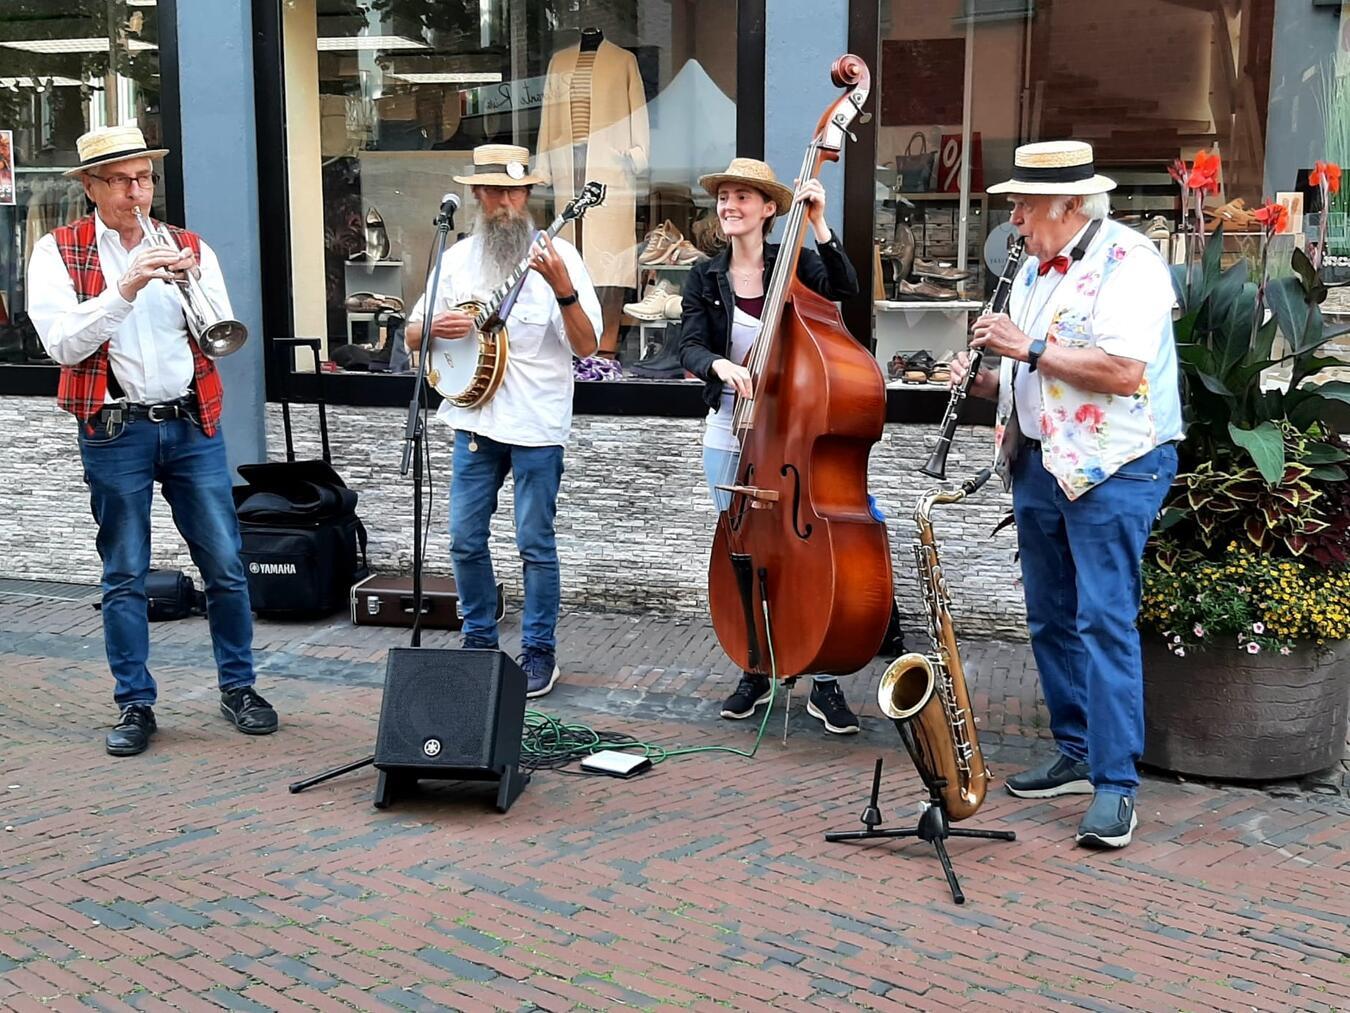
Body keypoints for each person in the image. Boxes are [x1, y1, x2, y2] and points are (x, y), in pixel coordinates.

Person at [950, 140, 1182, 848]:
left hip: (1114, 465)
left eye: (1024, 203)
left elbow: (1121, 371)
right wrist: (986, 380)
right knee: (1051, 617)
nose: (1014, 218)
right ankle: (1077, 749)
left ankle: (1117, 786)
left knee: (1104, 620)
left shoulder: (1131, 263)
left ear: (1071, 205)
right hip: (1042, 461)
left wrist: (1024, 349)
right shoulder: (1030, 267)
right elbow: (1038, 372)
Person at [26, 125, 278, 756]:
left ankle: (239, 687)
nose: (137, 192)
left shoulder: (188, 245)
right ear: (90, 186)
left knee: (223, 562)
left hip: (191, 424)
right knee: (125, 572)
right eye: (121, 180)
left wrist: (188, 284)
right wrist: (127, 287)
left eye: (144, 178)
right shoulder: (58, 251)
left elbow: (218, 328)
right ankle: (135, 703)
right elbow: (62, 345)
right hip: (116, 430)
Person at [677, 157, 867, 735]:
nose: (729, 206)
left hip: (796, 438)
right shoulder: (705, 276)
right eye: (724, 196)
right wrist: (719, 365)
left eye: (742, 197)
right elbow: (687, 345)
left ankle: (824, 681)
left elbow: (847, 291)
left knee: (816, 557)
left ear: (768, 209)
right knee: (746, 554)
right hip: (732, 434)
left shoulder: (801, 264)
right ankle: (756, 670)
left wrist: (823, 225)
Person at [405, 144, 601, 698]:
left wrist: (562, 288)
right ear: (477, 195)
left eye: (518, 192)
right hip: (473, 419)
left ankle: (539, 650)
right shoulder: (456, 257)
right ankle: (479, 640)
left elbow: (586, 347)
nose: (508, 203)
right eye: (496, 192)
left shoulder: (561, 257)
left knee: (534, 543)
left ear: (529, 195)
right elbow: (413, 337)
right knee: (464, 539)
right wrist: (433, 329)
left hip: (537, 426)